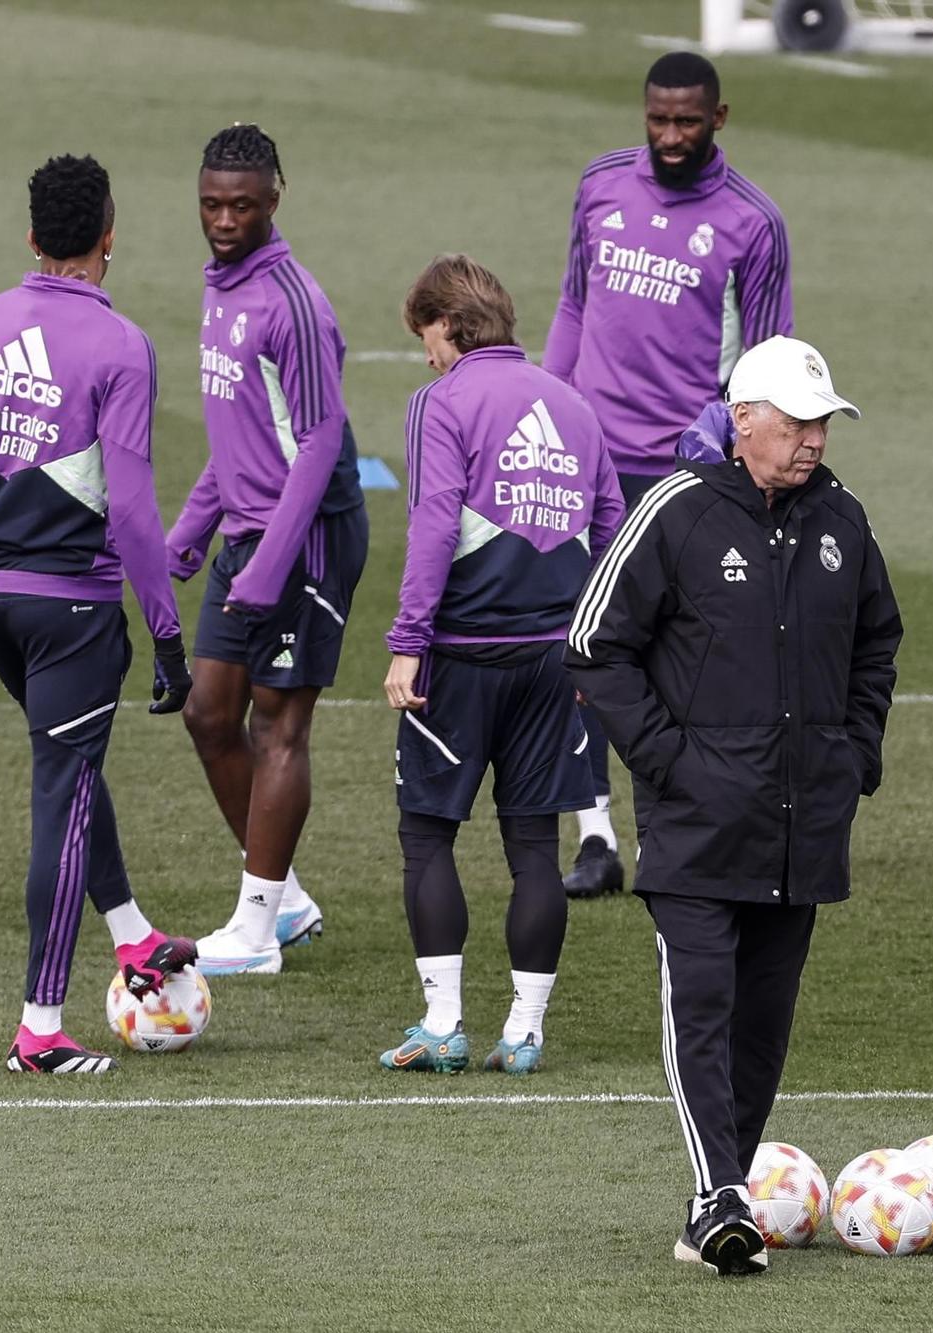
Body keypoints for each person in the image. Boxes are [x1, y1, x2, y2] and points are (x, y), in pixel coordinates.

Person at [565, 335, 898, 1275]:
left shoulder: (845, 522)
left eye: (823, 425)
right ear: (742, 420)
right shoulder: (674, 511)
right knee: (703, 1006)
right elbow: (594, 645)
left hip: (804, 828)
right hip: (697, 825)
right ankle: (717, 1192)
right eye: (795, 424)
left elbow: (879, 641)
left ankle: (721, 1194)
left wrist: (855, 753)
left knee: (764, 1023)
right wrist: (669, 761)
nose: (811, 443)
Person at [0, 154, 196, 1073]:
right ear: (109, 237)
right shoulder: (120, 348)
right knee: (62, 793)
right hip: (70, 610)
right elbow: (132, 511)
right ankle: (39, 1026)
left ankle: (133, 934)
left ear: (32, 238)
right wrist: (164, 633)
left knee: (65, 764)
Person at [545, 50, 794, 900]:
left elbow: (763, 363)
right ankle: (596, 835)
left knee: (685, 656)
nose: (671, 136)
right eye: (658, 119)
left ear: (719, 118)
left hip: (686, 477)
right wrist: (547, 405)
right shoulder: (601, 185)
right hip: (588, 464)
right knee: (583, 645)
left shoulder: (753, 223)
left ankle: (689, 822)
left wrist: (722, 443)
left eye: (688, 120)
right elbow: (574, 302)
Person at [381, 255, 625, 1074]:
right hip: (555, 663)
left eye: (428, 338)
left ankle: (443, 1022)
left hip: (460, 658)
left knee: (427, 836)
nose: (426, 356)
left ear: (450, 325)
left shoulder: (441, 403)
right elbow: (613, 527)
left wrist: (408, 642)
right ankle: (524, 1030)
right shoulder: (574, 405)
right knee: (534, 845)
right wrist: (594, 644)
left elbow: (434, 524)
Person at [169, 124, 368, 976]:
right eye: (211, 203)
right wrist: (191, 527)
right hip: (251, 533)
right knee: (207, 712)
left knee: (276, 723)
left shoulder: (293, 304)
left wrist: (270, 562)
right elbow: (247, 433)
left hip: (308, 538)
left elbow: (318, 443)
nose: (223, 219)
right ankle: (283, 901)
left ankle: (254, 931)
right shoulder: (221, 288)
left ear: (274, 199)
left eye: (241, 206)